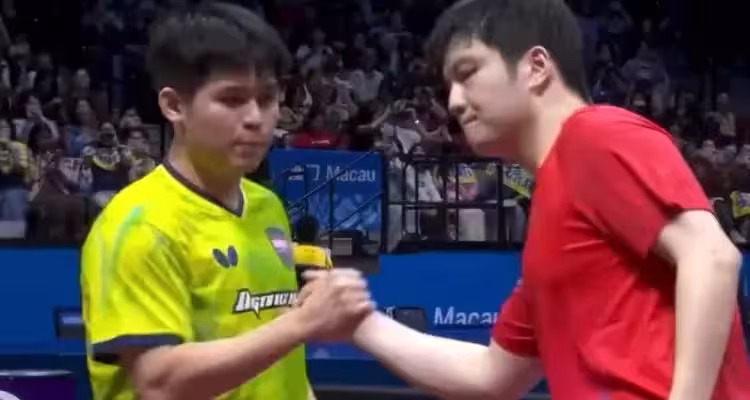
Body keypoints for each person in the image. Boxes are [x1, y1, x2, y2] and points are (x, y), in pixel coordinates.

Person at [304, 0, 750, 399]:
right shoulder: (550, 211)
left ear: (536, 67)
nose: (454, 101)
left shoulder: (596, 135)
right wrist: (360, 324)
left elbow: (711, 257)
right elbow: (492, 376)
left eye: (467, 73)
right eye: (449, 85)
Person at [80, 3, 373, 400]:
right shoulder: (139, 226)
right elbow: (160, 383)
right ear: (174, 105)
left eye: (267, 99)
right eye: (232, 99)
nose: (256, 118)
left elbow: (283, 362)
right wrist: (301, 323)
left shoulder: (267, 206)